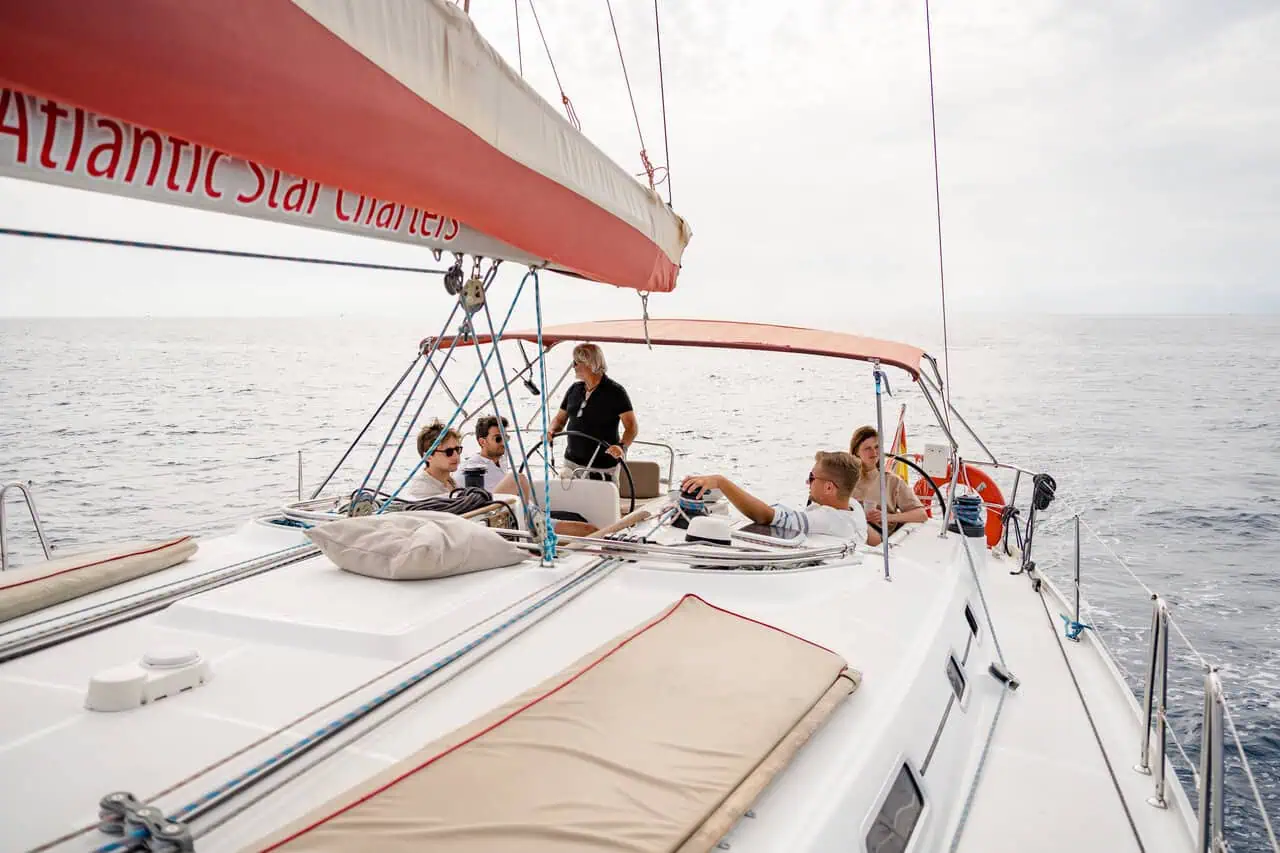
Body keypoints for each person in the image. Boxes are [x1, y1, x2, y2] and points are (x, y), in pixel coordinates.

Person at [681, 451, 868, 544]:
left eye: (812, 478)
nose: (807, 482)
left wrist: (721, 482)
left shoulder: (828, 519)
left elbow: (765, 517)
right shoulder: (853, 507)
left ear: (829, 487)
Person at [547, 343, 638, 481]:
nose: (573, 366)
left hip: (602, 468)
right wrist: (552, 430)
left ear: (588, 363)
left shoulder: (615, 392)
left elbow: (631, 427)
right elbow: (559, 420)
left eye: (576, 362)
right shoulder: (574, 390)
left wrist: (621, 447)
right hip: (571, 464)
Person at [849, 425, 928, 537]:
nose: (874, 452)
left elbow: (921, 514)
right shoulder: (847, 478)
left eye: (877, 447)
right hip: (851, 530)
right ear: (856, 452)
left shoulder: (892, 481)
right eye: (868, 448)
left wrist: (887, 517)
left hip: (877, 536)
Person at [404, 420, 464, 500]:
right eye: (448, 452)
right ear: (428, 456)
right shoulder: (420, 492)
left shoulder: (451, 482)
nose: (456, 456)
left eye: (457, 449)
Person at [463, 415, 511, 492]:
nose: (503, 442)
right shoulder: (472, 468)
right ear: (482, 442)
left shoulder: (502, 460)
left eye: (506, 438)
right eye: (498, 438)